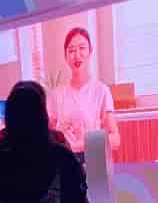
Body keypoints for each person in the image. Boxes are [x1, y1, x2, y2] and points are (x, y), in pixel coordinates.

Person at [48, 28, 121, 158]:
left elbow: (115, 139)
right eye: (71, 50)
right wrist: (59, 134)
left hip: (94, 160)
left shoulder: (101, 90)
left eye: (82, 48)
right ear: (65, 56)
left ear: (90, 52)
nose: (77, 55)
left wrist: (77, 146)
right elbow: (46, 135)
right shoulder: (56, 95)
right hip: (66, 161)